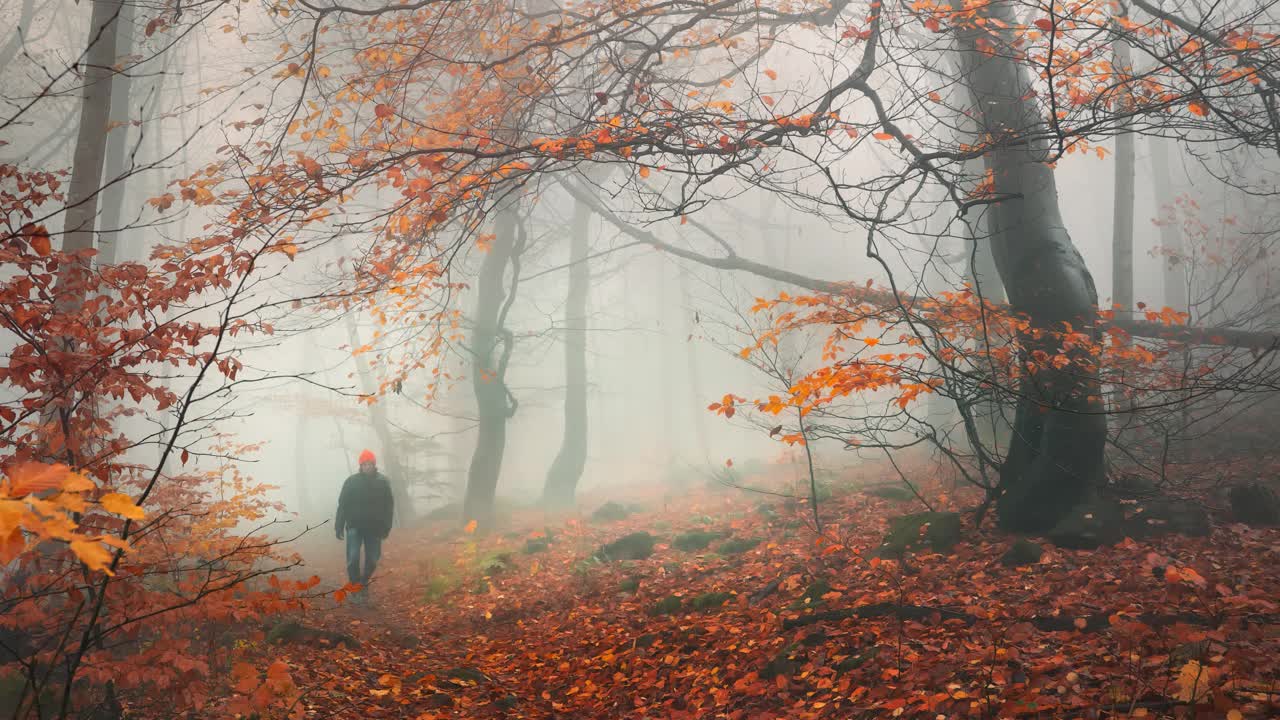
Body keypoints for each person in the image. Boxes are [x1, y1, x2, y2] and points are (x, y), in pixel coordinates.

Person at [335, 449, 394, 603]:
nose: (367, 466)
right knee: (353, 558)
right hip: (354, 526)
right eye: (364, 464)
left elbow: (389, 506)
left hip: (375, 527)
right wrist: (339, 525)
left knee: (373, 559)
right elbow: (343, 504)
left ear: (374, 465)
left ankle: (363, 582)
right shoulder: (351, 481)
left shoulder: (382, 482)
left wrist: (387, 526)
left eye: (370, 464)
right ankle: (355, 588)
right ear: (360, 466)